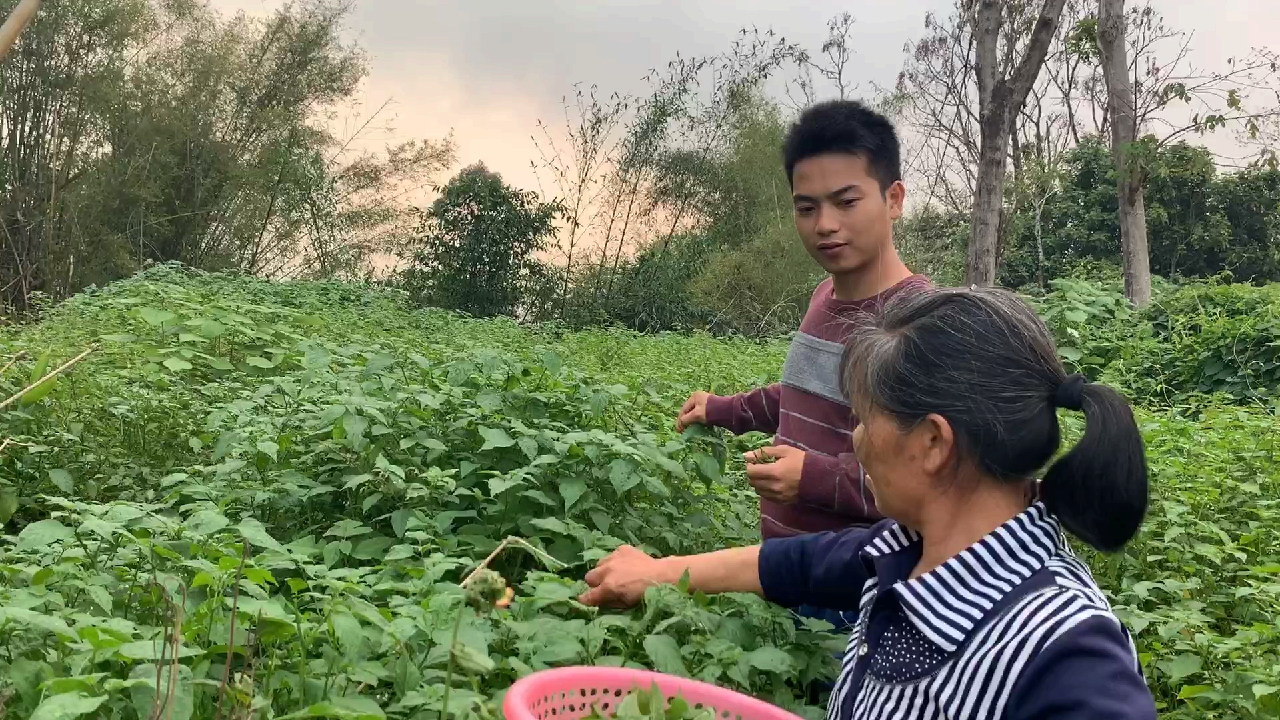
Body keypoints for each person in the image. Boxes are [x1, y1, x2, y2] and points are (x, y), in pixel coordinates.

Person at [582, 287, 1157, 720]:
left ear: (933, 442)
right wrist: (654, 573)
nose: (855, 439)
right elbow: (794, 565)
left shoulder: (1065, 651)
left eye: (864, 418)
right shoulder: (908, 554)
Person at [677, 99, 930, 630]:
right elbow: (800, 392)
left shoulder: (920, 323)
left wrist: (812, 478)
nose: (825, 225)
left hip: (854, 587)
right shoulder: (823, 297)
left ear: (894, 199)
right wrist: (722, 410)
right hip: (784, 571)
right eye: (807, 207)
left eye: (846, 201)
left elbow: (926, 478)